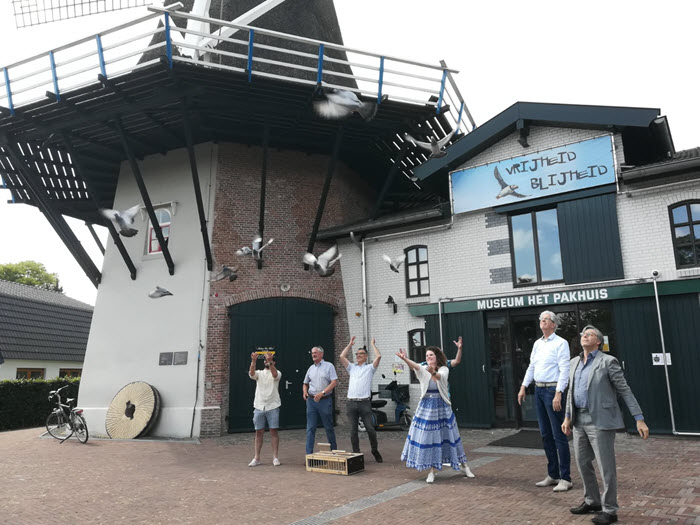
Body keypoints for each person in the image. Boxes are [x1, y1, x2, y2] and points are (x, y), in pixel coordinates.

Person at [562, 325, 650, 525]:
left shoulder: (608, 362)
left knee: (606, 467)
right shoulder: (574, 362)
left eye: (590, 334)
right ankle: (592, 501)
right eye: (583, 334)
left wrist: (639, 418)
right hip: (578, 421)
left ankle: (610, 510)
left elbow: (624, 390)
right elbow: (570, 392)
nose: (584, 336)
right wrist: (567, 417)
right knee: (583, 463)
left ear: (599, 341)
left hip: (600, 421)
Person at [396, 345, 475, 483]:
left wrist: (433, 372)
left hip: (442, 407)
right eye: (427, 356)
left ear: (437, 357)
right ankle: (431, 471)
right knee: (429, 438)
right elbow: (415, 366)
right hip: (426, 407)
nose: (428, 358)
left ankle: (464, 465)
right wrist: (405, 359)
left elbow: (440, 377)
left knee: (451, 436)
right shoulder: (423, 368)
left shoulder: (444, 368)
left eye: (431, 355)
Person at [518, 310, 572, 492]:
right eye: (541, 319)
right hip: (539, 390)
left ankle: (566, 478)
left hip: (552, 390)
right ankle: (553, 474)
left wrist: (559, 393)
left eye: (546, 319)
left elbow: (564, 370)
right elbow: (532, 366)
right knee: (545, 434)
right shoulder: (537, 344)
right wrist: (524, 386)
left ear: (554, 324)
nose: (542, 321)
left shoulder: (561, 343)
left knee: (559, 435)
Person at [339, 336, 383, 462]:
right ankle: (356, 454)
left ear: (366, 356)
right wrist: (350, 345)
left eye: (361, 354)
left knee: (370, 428)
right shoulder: (351, 367)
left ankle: (374, 450)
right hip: (351, 403)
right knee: (353, 430)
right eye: (357, 354)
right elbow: (342, 356)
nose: (358, 355)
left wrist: (373, 344)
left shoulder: (369, 368)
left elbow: (378, 357)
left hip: (364, 402)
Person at [302, 345, 338, 454]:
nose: (313, 354)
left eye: (315, 352)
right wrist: (304, 392)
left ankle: (334, 452)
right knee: (310, 428)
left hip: (324, 400)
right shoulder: (311, 368)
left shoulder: (329, 366)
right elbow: (305, 383)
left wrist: (322, 393)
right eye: (312, 353)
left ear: (321, 354)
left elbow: (334, 382)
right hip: (311, 401)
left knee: (328, 427)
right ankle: (309, 455)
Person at [248, 351, 281, 466]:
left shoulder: (277, 372)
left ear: (273, 362)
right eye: (265, 361)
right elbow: (252, 374)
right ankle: (257, 458)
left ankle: (275, 457)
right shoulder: (260, 373)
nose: (266, 362)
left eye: (269, 360)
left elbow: (275, 375)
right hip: (259, 406)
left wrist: (270, 361)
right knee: (258, 432)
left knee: (273, 432)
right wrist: (253, 361)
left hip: (273, 406)